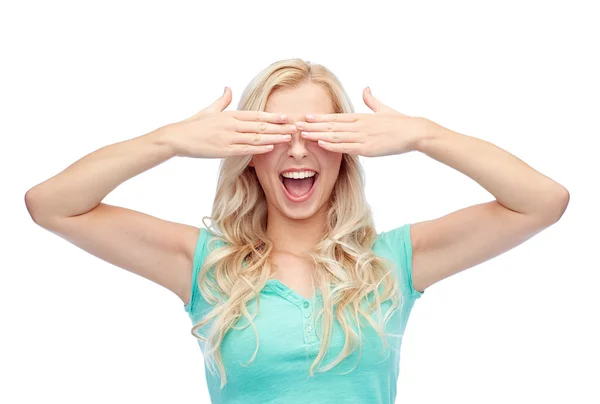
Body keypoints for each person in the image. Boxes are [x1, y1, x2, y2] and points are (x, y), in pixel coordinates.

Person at [24, 58, 570, 403]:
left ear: (348, 150)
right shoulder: (204, 265)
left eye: (319, 130)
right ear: (246, 152)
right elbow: (51, 205)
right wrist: (168, 140)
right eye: (274, 131)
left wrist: (425, 135)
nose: (299, 148)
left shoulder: (394, 262)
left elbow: (543, 202)